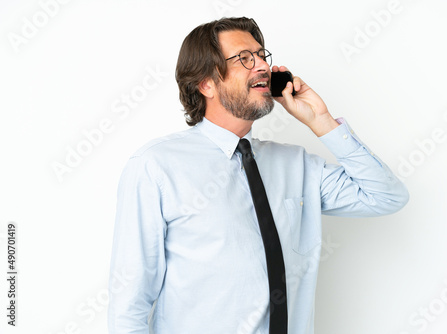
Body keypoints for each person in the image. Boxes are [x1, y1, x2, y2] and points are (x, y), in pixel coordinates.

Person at [108, 17, 409, 334]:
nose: (262, 66)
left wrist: (322, 122)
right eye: (244, 59)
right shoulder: (156, 166)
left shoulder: (297, 165)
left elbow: (386, 197)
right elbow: (130, 303)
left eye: (262, 55)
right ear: (206, 83)